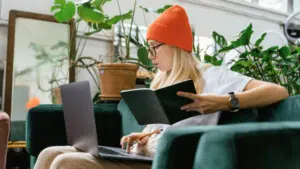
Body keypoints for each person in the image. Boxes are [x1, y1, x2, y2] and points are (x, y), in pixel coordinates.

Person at [33, 5, 289, 169]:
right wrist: (142, 136)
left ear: (175, 46)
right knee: (48, 153)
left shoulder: (215, 76)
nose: (150, 55)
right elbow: (158, 130)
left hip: (171, 161)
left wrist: (224, 102)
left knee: (65, 162)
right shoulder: (161, 81)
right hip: (146, 156)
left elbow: (279, 91)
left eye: (155, 47)